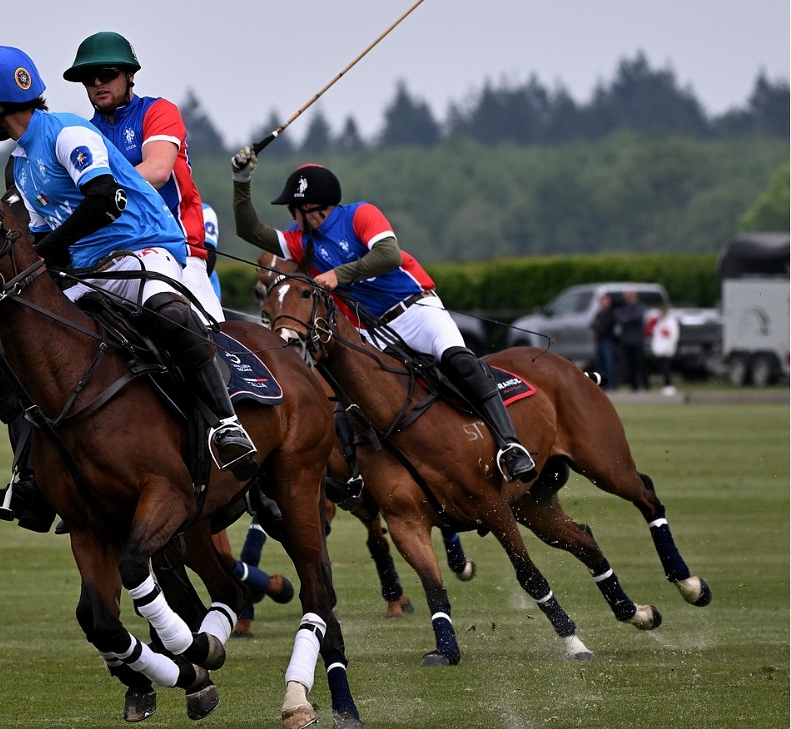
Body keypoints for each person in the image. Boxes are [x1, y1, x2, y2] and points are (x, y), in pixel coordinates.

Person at [0, 45, 258, 530]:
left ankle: (227, 427)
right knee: (7, 355)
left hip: (142, 246)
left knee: (169, 315)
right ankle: (30, 481)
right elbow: (39, 235)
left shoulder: (68, 133)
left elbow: (105, 199)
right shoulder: (20, 163)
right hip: (88, 268)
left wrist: (48, 250)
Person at [229, 152, 538, 483]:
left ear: (312, 207)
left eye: (294, 208)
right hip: (372, 329)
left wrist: (339, 274)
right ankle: (359, 479)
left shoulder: (360, 215)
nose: (291, 215)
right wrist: (241, 180)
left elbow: (389, 255)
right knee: (353, 395)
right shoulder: (299, 239)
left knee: (459, 362)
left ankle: (510, 445)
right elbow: (249, 230)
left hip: (415, 310)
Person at [63, 31, 220, 322]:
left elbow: (158, 171)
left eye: (107, 73)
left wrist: (98, 192)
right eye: (88, 77)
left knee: (202, 337)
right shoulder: (84, 133)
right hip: (112, 257)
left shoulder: (158, 111)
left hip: (180, 250)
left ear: (130, 75)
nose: (97, 83)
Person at [615, 290, 648, 391]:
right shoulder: (623, 308)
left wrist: (627, 318)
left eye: (631, 296)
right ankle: (634, 386)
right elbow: (619, 317)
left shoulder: (639, 306)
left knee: (640, 363)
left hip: (637, 340)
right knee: (629, 364)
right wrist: (628, 318)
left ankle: (646, 384)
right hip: (626, 340)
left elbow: (636, 317)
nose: (629, 298)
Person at [647, 304, 680, 395]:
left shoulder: (671, 321)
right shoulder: (660, 321)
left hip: (667, 349)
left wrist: (669, 345)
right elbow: (655, 332)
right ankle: (666, 385)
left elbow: (673, 335)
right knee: (662, 368)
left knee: (666, 368)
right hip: (660, 350)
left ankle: (669, 385)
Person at [589, 293, 618, 388]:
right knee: (600, 363)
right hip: (600, 341)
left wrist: (599, 325)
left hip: (608, 341)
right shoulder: (599, 313)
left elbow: (607, 326)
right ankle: (602, 384)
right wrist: (600, 326)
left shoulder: (611, 313)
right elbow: (592, 325)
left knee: (609, 363)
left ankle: (612, 384)